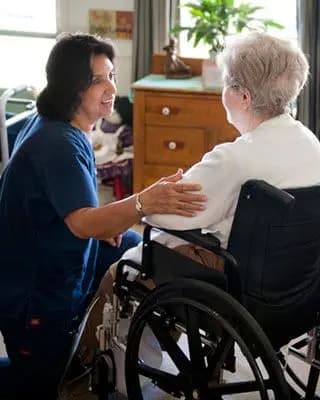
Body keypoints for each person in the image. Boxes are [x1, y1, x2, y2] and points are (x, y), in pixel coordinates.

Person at [81, 31, 320, 362]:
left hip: (237, 290)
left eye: (227, 83)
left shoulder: (234, 159)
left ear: (244, 97)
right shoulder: (312, 146)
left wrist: (147, 200)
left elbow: (161, 215)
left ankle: (91, 379)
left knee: (127, 265)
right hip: (298, 291)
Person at [0, 33, 207, 400]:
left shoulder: (58, 123)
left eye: (111, 74)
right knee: (46, 384)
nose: (111, 87)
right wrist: (144, 202)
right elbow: (82, 222)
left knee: (132, 244)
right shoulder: (59, 144)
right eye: (98, 80)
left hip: (48, 260)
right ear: (72, 87)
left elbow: (76, 211)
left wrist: (114, 218)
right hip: (36, 294)